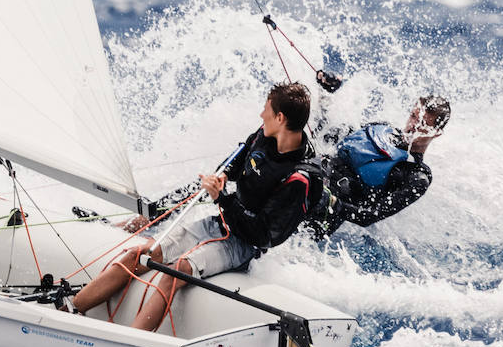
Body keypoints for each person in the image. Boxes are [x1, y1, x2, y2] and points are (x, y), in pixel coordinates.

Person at [72, 82, 320, 332]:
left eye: (266, 109)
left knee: (175, 271)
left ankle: (131, 340)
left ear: (280, 117)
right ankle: (72, 309)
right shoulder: (265, 134)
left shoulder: (300, 178)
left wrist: (222, 198)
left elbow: (264, 236)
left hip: (244, 246)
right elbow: (237, 159)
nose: (261, 114)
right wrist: (223, 176)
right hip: (219, 224)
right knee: (140, 253)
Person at [305, 96, 451, 238]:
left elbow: (368, 216)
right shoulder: (381, 129)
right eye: (413, 116)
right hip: (310, 172)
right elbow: (327, 134)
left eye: (423, 125)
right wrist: (327, 94)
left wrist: (329, 201)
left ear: (436, 133)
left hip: (319, 211)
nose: (413, 126)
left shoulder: (416, 177)